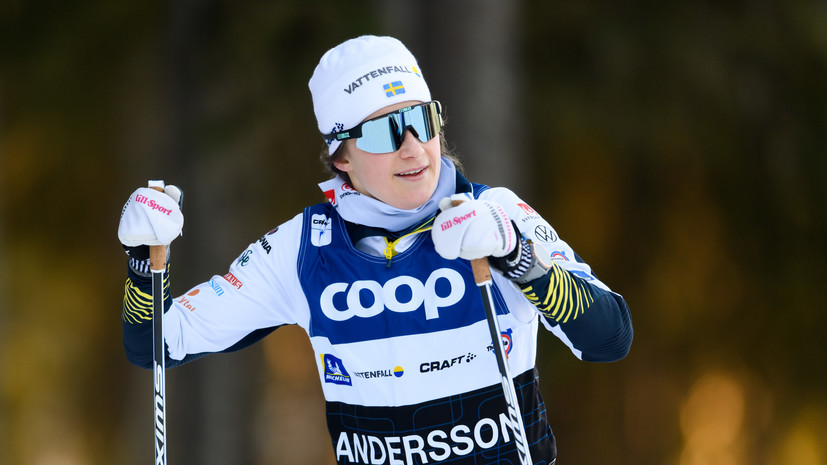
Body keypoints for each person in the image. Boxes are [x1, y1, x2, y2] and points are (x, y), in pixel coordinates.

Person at [117, 35, 633, 465]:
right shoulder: (302, 248)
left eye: (422, 120)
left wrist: (519, 258)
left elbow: (610, 336)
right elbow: (156, 343)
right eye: (386, 131)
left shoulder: (496, 216)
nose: (413, 146)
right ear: (341, 155)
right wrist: (144, 260)